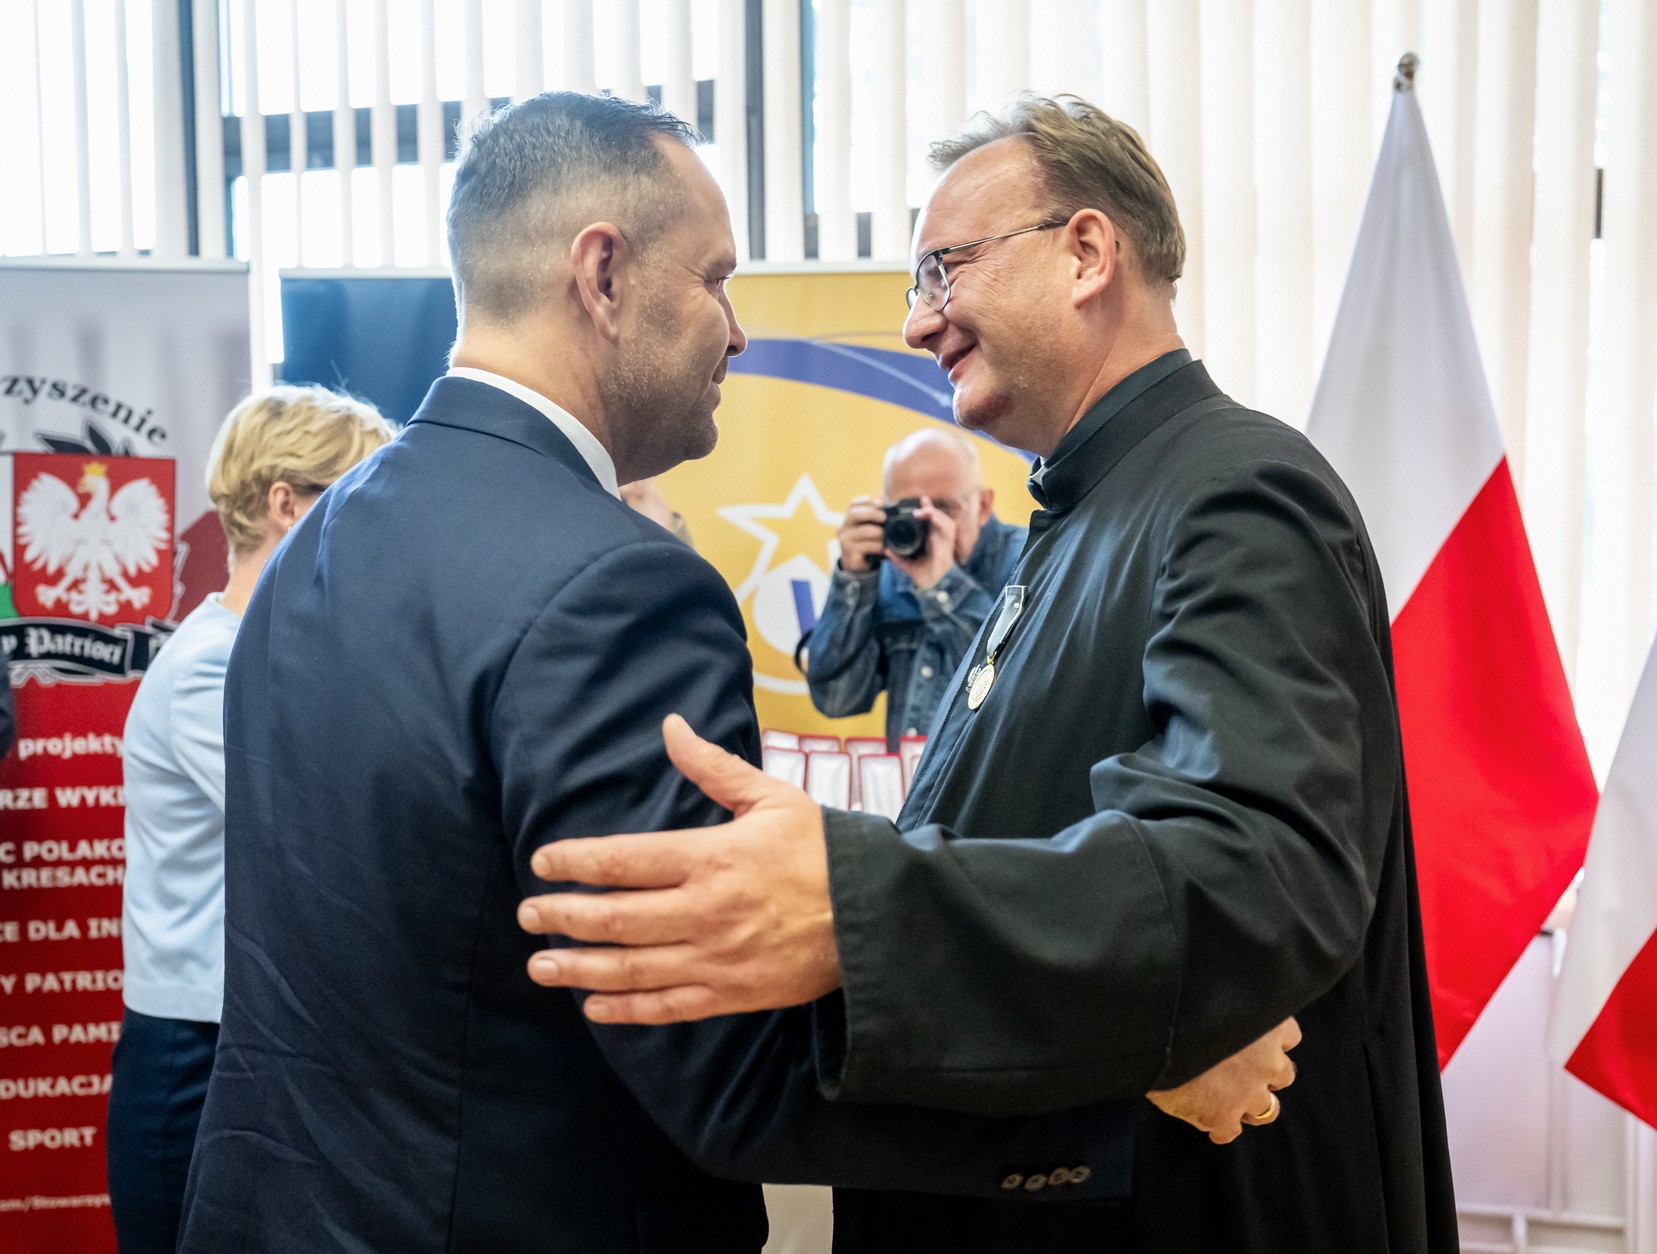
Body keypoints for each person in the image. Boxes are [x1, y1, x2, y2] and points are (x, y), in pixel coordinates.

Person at [178, 93, 1159, 1254]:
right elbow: (725, 1071)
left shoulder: (319, 544)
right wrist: (1118, 1100)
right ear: (601, 274)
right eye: (713, 281)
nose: (735, 332)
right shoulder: (614, 589)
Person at [520, 93, 1459, 1253]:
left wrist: (847, 905)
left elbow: (1252, 873)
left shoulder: (1235, 491)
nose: (919, 324)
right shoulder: (1086, 505)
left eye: (940, 271)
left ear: (1083, 252)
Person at [107, 386, 395, 1253]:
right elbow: (325, 831)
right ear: (287, 506)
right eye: (361, 498)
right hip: (192, 1055)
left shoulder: (268, 648)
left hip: (249, 1039)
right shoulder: (210, 667)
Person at [806, 427, 1024, 746]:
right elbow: (836, 700)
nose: (927, 523)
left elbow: (1018, 701)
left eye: (943, 508)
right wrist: (853, 579)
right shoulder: (885, 570)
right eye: (908, 508)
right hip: (910, 790)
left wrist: (942, 585)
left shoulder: (1027, 563)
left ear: (983, 505)